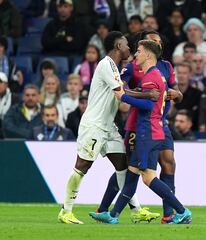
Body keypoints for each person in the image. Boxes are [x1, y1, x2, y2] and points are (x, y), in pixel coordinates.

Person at [57, 31, 156, 224]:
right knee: (82, 166)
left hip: (108, 127)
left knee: (122, 165)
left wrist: (142, 92)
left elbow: (123, 91)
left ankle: (136, 210)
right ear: (118, 46)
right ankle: (65, 211)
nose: (130, 48)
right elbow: (121, 94)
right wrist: (147, 94)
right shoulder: (105, 65)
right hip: (94, 125)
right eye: (127, 45)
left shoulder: (114, 68)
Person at [89, 39, 192, 224]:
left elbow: (147, 104)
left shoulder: (151, 77)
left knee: (148, 177)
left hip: (148, 132)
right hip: (152, 131)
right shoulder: (157, 75)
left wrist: (125, 97)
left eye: (139, 51)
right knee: (132, 172)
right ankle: (112, 216)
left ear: (148, 55)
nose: (135, 54)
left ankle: (182, 211)